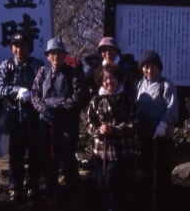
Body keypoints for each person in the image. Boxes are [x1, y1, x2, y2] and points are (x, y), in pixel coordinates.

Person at [30, 37, 86, 205]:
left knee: (67, 157)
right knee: (47, 158)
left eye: (59, 53)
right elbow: (34, 94)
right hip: (45, 121)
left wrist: (56, 106)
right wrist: (42, 108)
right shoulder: (42, 72)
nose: (56, 57)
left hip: (66, 121)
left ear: (64, 55)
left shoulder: (74, 73)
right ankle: (50, 191)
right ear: (48, 56)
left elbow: (77, 98)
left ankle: (73, 193)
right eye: (52, 53)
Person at [0, 32, 43, 202]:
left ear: (28, 48)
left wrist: (32, 94)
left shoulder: (37, 65)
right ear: (11, 48)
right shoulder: (5, 66)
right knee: (16, 152)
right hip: (13, 114)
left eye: (23, 45)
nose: (19, 49)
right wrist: (16, 91)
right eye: (15, 46)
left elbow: (44, 86)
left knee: (34, 151)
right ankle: (14, 186)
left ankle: (33, 185)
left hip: (34, 114)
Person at [86, 62, 137, 211]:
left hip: (124, 152)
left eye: (112, 78)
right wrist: (98, 130)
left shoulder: (127, 99)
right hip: (102, 153)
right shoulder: (96, 101)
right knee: (102, 185)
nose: (109, 82)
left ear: (118, 78)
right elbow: (89, 124)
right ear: (101, 81)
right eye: (105, 79)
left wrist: (114, 129)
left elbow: (134, 123)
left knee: (120, 187)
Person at [136, 49, 178, 210]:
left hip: (162, 137)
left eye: (152, 66)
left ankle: (163, 206)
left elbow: (172, 110)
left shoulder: (166, 85)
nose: (149, 70)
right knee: (145, 173)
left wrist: (163, 125)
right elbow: (137, 107)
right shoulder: (140, 84)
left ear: (158, 67)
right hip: (144, 135)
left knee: (161, 175)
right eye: (145, 66)